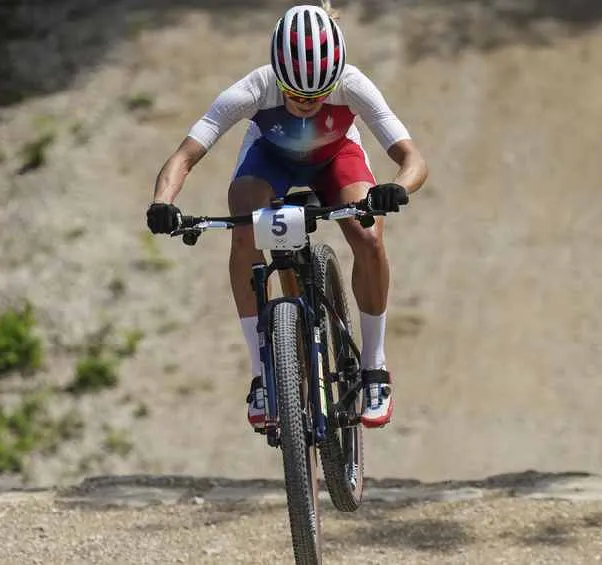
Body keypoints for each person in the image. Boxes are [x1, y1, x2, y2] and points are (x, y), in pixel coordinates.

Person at [146, 2, 428, 430]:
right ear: (278, 75)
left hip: (337, 160)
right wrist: (162, 203)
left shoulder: (353, 84)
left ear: (334, 79)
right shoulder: (254, 88)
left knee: (368, 235)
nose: (304, 104)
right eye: (294, 94)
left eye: (316, 96)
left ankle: (374, 368)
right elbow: (184, 156)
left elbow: (412, 159)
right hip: (270, 162)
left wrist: (397, 187)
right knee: (244, 231)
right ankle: (262, 373)